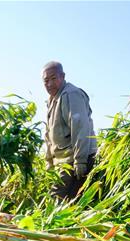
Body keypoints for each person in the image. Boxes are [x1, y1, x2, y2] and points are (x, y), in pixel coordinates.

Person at [42, 61, 97, 199]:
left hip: (74, 160)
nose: (49, 84)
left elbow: (80, 128)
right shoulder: (52, 100)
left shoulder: (71, 94)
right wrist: (49, 162)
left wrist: (80, 161)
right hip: (63, 162)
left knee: (56, 200)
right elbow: (49, 135)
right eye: (46, 81)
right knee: (62, 203)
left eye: (53, 78)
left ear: (63, 76)